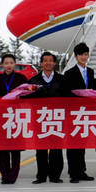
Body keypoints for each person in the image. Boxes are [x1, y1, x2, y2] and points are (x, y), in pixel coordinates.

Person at [26, 51, 66, 183]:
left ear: (54, 63)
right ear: (41, 63)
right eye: (45, 60)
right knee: (41, 149)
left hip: (57, 118)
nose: (48, 63)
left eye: (51, 60)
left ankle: (55, 176)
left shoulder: (62, 79)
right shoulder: (33, 81)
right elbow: (28, 98)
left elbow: (67, 98)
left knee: (56, 148)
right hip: (40, 119)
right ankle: (41, 176)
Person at [61, 42, 96, 182]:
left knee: (82, 143)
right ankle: (73, 173)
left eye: (86, 54)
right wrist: (78, 97)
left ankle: (81, 171)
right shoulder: (69, 73)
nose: (83, 57)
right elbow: (65, 93)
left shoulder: (91, 72)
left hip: (86, 113)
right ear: (76, 56)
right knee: (72, 143)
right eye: (81, 54)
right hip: (73, 113)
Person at [0, 52, 28, 184]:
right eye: (6, 63)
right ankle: (4, 174)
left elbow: (27, 94)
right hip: (1, 117)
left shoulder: (21, 78)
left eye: (11, 63)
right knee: (2, 148)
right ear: (2, 64)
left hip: (16, 116)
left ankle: (13, 176)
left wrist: (21, 98)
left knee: (15, 147)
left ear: (15, 64)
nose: (9, 65)